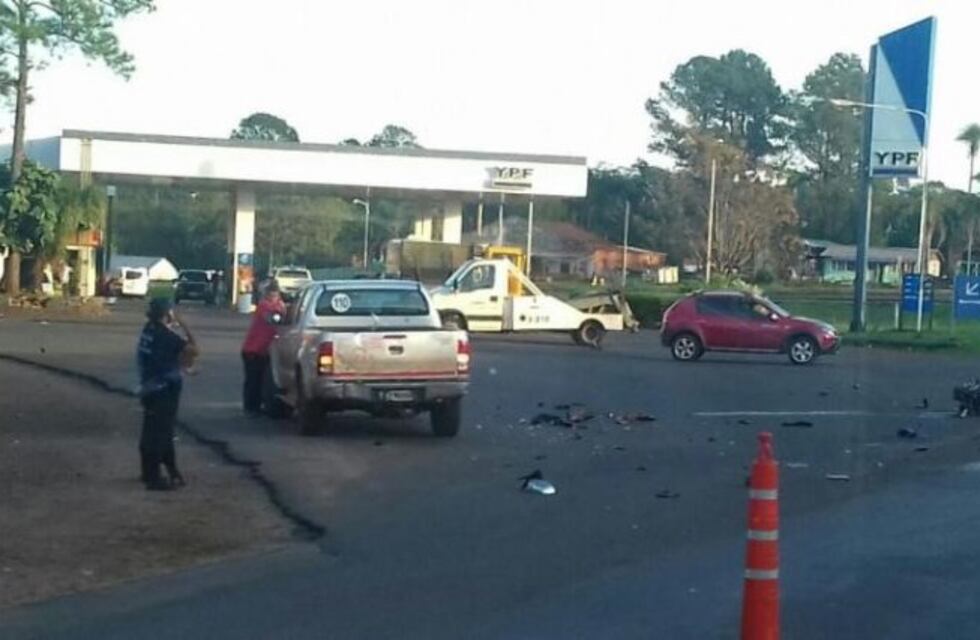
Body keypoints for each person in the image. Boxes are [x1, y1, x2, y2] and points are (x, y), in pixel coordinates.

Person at [137, 298, 197, 491]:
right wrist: (186, 326)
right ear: (167, 314)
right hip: (163, 389)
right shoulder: (166, 336)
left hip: (148, 386)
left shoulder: (149, 330)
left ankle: (151, 471)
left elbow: (163, 356)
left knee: (151, 430)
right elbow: (193, 350)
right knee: (161, 433)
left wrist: (181, 367)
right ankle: (155, 478)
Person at [241, 280, 286, 415]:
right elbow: (272, 318)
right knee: (253, 380)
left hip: (265, 351)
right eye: (270, 294)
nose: (272, 297)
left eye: (275, 295)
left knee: (263, 381)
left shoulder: (279, 305)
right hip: (253, 350)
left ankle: (259, 406)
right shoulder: (263, 306)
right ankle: (250, 408)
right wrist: (283, 313)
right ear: (266, 294)